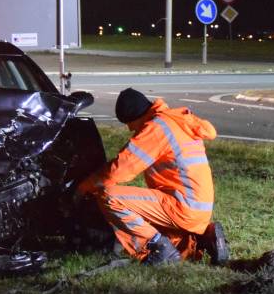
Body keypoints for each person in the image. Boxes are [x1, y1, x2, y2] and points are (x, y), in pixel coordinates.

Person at [77, 88, 229, 266]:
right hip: (197, 209)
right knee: (153, 227)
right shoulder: (175, 121)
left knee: (109, 196)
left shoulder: (156, 128)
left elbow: (119, 170)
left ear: (136, 117)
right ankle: (205, 239)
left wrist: (83, 188)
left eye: (131, 125)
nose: (131, 130)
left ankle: (159, 249)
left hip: (181, 207)